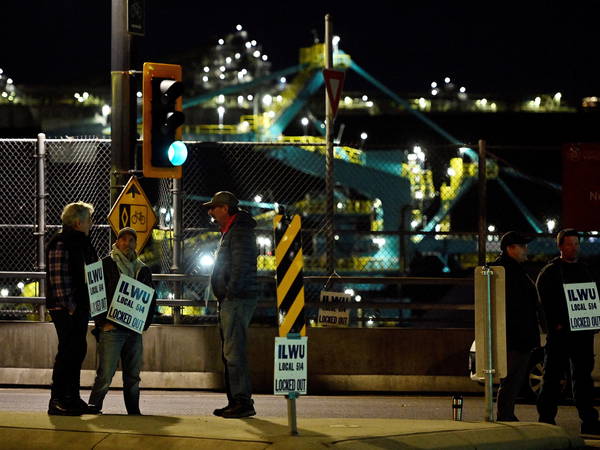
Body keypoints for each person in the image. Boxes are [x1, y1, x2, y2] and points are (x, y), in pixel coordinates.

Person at [536, 229, 600, 435]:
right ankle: (546, 420)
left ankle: (589, 421)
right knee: (552, 378)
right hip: (560, 335)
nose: (574, 248)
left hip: (582, 334)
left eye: (576, 244)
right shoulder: (550, 272)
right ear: (560, 246)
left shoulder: (586, 270)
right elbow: (543, 305)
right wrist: (555, 326)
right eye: (570, 244)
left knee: (583, 379)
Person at [87, 227, 156, 415]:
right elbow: (95, 296)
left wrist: (144, 325)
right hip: (111, 329)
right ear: (116, 243)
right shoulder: (106, 265)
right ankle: (94, 405)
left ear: (136, 244)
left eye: (131, 240)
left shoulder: (142, 269)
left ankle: (133, 410)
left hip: (133, 330)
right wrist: (102, 324)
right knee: (106, 373)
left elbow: (150, 299)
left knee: (133, 375)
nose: (127, 243)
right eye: (123, 239)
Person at [204, 191, 258, 419]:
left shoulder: (239, 232)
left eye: (214, 208)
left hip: (236, 300)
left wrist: (230, 293)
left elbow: (241, 266)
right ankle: (235, 401)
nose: (211, 212)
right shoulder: (233, 231)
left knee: (234, 352)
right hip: (233, 299)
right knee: (231, 352)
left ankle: (242, 402)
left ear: (225, 208)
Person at [46, 201, 98, 415]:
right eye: (88, 220)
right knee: (68, 351)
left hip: (78, 307)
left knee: (77, 350)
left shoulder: (81, 243)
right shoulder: (61, 242)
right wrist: (72, 307)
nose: (91, 224)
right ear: (78, 222)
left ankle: (72, 398)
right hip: (65, 308)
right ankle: (57, 399)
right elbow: (59, 280)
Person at [492, 231, 540, 421]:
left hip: (517, 336)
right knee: (511, 378)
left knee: (513, 379)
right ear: (510, 248)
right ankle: (505, 415)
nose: (526, 249)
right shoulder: (505, 271)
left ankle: (507, 414)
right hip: (515, 337)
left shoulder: (511, 270)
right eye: (522, 246)